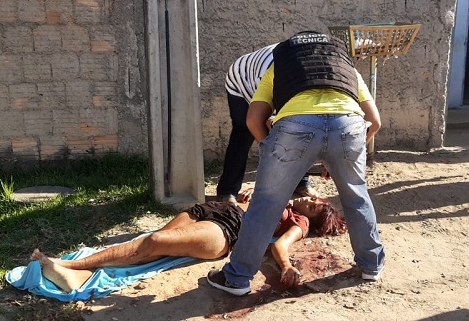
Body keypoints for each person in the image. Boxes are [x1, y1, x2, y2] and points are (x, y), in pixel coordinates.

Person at [206, 31, 385, 296]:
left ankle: (237, 279)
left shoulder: (279, 67)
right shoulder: (348, 71)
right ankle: (371, 265)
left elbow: (253, 121)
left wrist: (273, 152)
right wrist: (339, 156)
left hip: (295, 126)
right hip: (349, 127)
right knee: (357, 197)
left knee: (267, 202)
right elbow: (375, 122)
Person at [30, 195, 346, 292]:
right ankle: (79, 274)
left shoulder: (299, 222)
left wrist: (287, 266)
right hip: (212, 209)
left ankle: (71, 265)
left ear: (312, 219)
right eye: (316, 200)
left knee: (155, 240)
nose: (312, 201)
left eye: (315, 207)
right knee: (148, 245)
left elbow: (281, 245)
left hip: (228, 228)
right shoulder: (283, 194)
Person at [217, 45, 316, 203]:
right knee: (243, 133)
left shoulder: (314, 77)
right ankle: (227, 191)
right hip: (242, 81)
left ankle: (301, 182)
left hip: (277, 79)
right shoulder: (272, 77)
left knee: (300, 132)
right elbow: (262, 125)